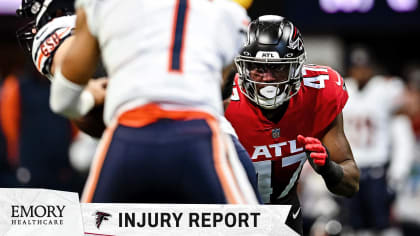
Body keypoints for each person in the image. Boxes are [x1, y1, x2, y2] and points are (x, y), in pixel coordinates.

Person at [49, 0, 260, 204]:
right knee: (258, 226)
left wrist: (92, 97)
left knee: (91, 225)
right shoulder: (230, 14)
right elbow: (214, 88)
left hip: (128, 139)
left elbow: (62, 102)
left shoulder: (103, 4)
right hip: (198, 140)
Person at [224, 15, 360, 234]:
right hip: (227, 213)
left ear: (296, 68)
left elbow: (351, 184)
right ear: (244, 67)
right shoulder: (223, 99)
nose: (267, 79)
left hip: (283, 212)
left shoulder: (318, 94)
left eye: (277, 68)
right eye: (258, 68)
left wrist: (328, 169)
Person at [340, 46, 415, 235]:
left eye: (364, 67)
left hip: (377, 170)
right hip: (352, 169)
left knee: (382, 225)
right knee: (353, 225)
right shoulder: (341, 88)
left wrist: (399, 169)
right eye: (356, 67)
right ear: (350, 69)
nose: (360, 71)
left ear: (372, 68)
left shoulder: (386, 89)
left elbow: (407, 113)